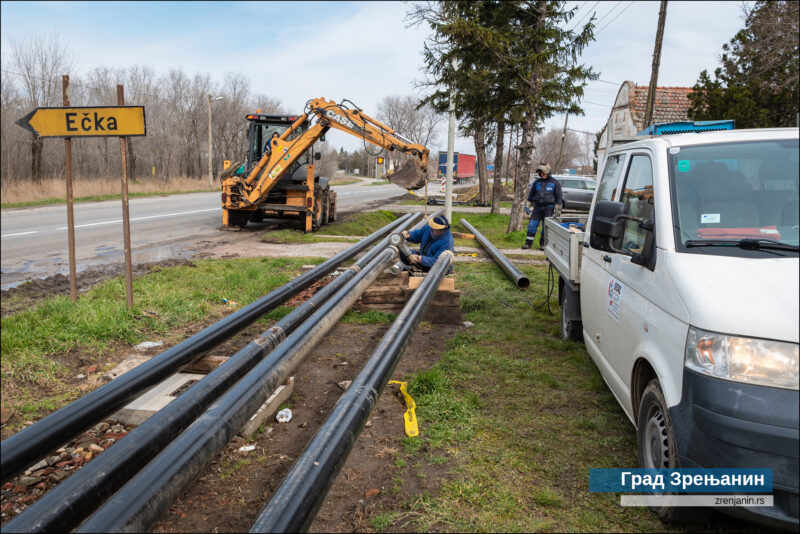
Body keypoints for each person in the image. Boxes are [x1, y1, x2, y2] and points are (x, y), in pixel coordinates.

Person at [522, 163, 563, 250]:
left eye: (544, 172)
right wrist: (527, 206)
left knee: (546, 228)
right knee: (532, 225)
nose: (542, 174)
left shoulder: (555, 183)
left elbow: (559, 197)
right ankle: (528, 244)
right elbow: (531, 195)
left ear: (548, 172)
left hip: (549, 208)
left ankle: (543, 244)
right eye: (541, 173)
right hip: (537, 208)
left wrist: (558, 210)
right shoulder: (536, 182)